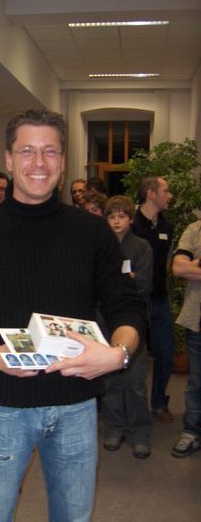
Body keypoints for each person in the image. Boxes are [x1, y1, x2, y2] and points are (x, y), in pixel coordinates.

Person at [0, 109, 145, 522]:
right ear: (9, 159)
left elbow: (126, 306)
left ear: (63, 160)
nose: (38, 162)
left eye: (49, 151)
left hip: (76, 405)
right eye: (27, 151)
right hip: (0, 406)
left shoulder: (92, 232)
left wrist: (118, 355)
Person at [102, 195, 153, 458]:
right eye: (111, 217)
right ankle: (114, 428)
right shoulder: (102, 246)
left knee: (134, 381)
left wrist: (125, 278)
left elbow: (144, 284)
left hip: (133, 321)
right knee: (111, 381)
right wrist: (126, 277)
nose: (116, 221)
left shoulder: (141, 246)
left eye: (121, 216)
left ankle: (140, 432)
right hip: (105, 320)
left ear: (131, 219)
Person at [132, 176, 175, 423]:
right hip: (136, 302)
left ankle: (159, 404)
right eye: (165, 191)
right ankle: (132, 411)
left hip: (160, 300)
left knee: (166, 354)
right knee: (133, 360)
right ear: (151, 193)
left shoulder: (167, 226)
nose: (170, 196)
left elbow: (167, 262)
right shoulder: (131, 223)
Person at [171, 220, 201, 457]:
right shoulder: (194, 230)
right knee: (196, 383)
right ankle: (192, 432)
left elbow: (188, 267)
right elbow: (179, 268)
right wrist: (188, 265)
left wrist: (195, 266)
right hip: (197, 321)